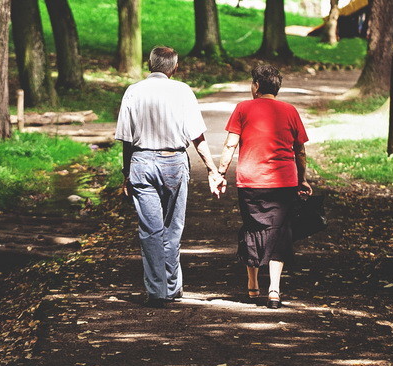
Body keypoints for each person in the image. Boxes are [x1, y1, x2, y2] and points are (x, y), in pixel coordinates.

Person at [115, 46, 224, 307]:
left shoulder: (133, 91)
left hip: (141, 162)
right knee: (173, 228)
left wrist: (127, 173)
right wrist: (212, 169)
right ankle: (172, 287)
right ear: (175, 68)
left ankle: (157, 291)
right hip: (174, 162)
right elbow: (197, 135)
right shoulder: (183, 91)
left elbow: (126, 139)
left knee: (150, 230)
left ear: (149, 64)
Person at [214, 63, 312, 308]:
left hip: (251, 181)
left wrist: (220, 173)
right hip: (284, 182)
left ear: (256, 86)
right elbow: (299, 150)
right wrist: (302, 179)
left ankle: (253, 285)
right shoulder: (290, 111)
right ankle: (274, 290)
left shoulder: (243, 108)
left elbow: (230, 144)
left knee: (252, 228)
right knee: (279, 232)